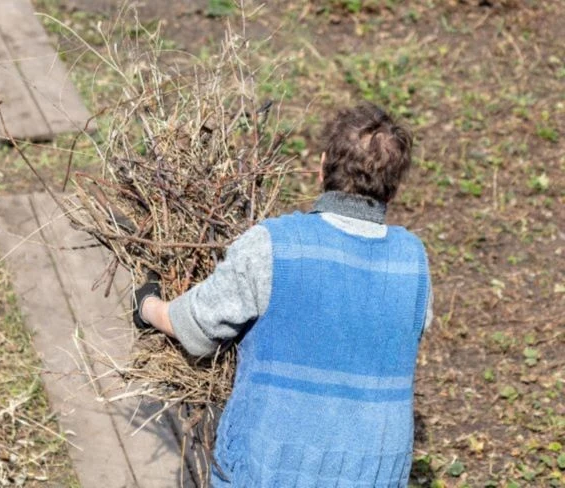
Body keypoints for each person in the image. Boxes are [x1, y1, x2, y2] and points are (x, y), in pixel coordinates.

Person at [132, 102, 433, 487]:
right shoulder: (414, 260)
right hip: (374, 473)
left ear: (322, 166)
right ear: (393, 188)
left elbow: (196, 324)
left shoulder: (274, 246)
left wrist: (149, 305)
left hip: (274, 468)